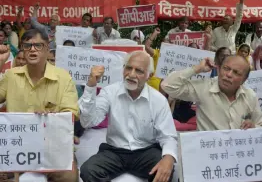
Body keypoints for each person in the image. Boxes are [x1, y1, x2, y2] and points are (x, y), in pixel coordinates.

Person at [79, 51, 177, 182]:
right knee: (88, 171)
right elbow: (88, 122)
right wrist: (91, 86)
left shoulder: (158, 100)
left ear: (149, 75)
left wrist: (169, 157)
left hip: (146, 151)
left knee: (165, 172)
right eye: (129, 68)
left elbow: (168, 136)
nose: (131, 74)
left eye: (139, 71)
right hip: (114, 151)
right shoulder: (109, 92)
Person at [0, 29, 79, 182]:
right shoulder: (11, 76)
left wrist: (52, 119)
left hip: (52, 146)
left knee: (68, 177)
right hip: (17, 146)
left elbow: (71, 113)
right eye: (27, 46)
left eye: (38, 45)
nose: (32, 49)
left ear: (47, 49)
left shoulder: (63, 77)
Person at [161, 55, 262, 131]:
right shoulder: (204, 87)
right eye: (226, 68)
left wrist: (253, 127)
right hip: (208, 154)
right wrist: (196, 69)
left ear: (244, 80)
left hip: (238, 155)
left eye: (236, 72)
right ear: (219, 69)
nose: (228, 74)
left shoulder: (250, 96)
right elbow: (167, 85)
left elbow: (259, 125)